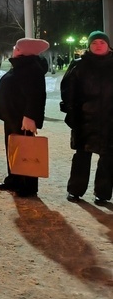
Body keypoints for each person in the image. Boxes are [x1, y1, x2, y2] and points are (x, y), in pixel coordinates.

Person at [60, 30, 113, 205]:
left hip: (110, 121)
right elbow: (68, 91)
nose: (98, 46)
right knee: (82, 157)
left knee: (108, 159)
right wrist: (71, 113)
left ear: (108, 45)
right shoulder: (78, 65)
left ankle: (102, 193)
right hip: (84, 120)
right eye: (94, 43)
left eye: (102, 43)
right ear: (89, 46)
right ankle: (75, 190)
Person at [0, 37, 49, 197]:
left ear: (22, 50)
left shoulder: (32, 68)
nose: (14, 48)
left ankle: (28, 186)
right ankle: (15, 180)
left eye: (16, 47)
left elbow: (36, 96)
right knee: (14, 148)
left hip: (22, 118)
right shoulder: (21, 65)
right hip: (12, 116)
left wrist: (30, 117)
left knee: (26, 150)